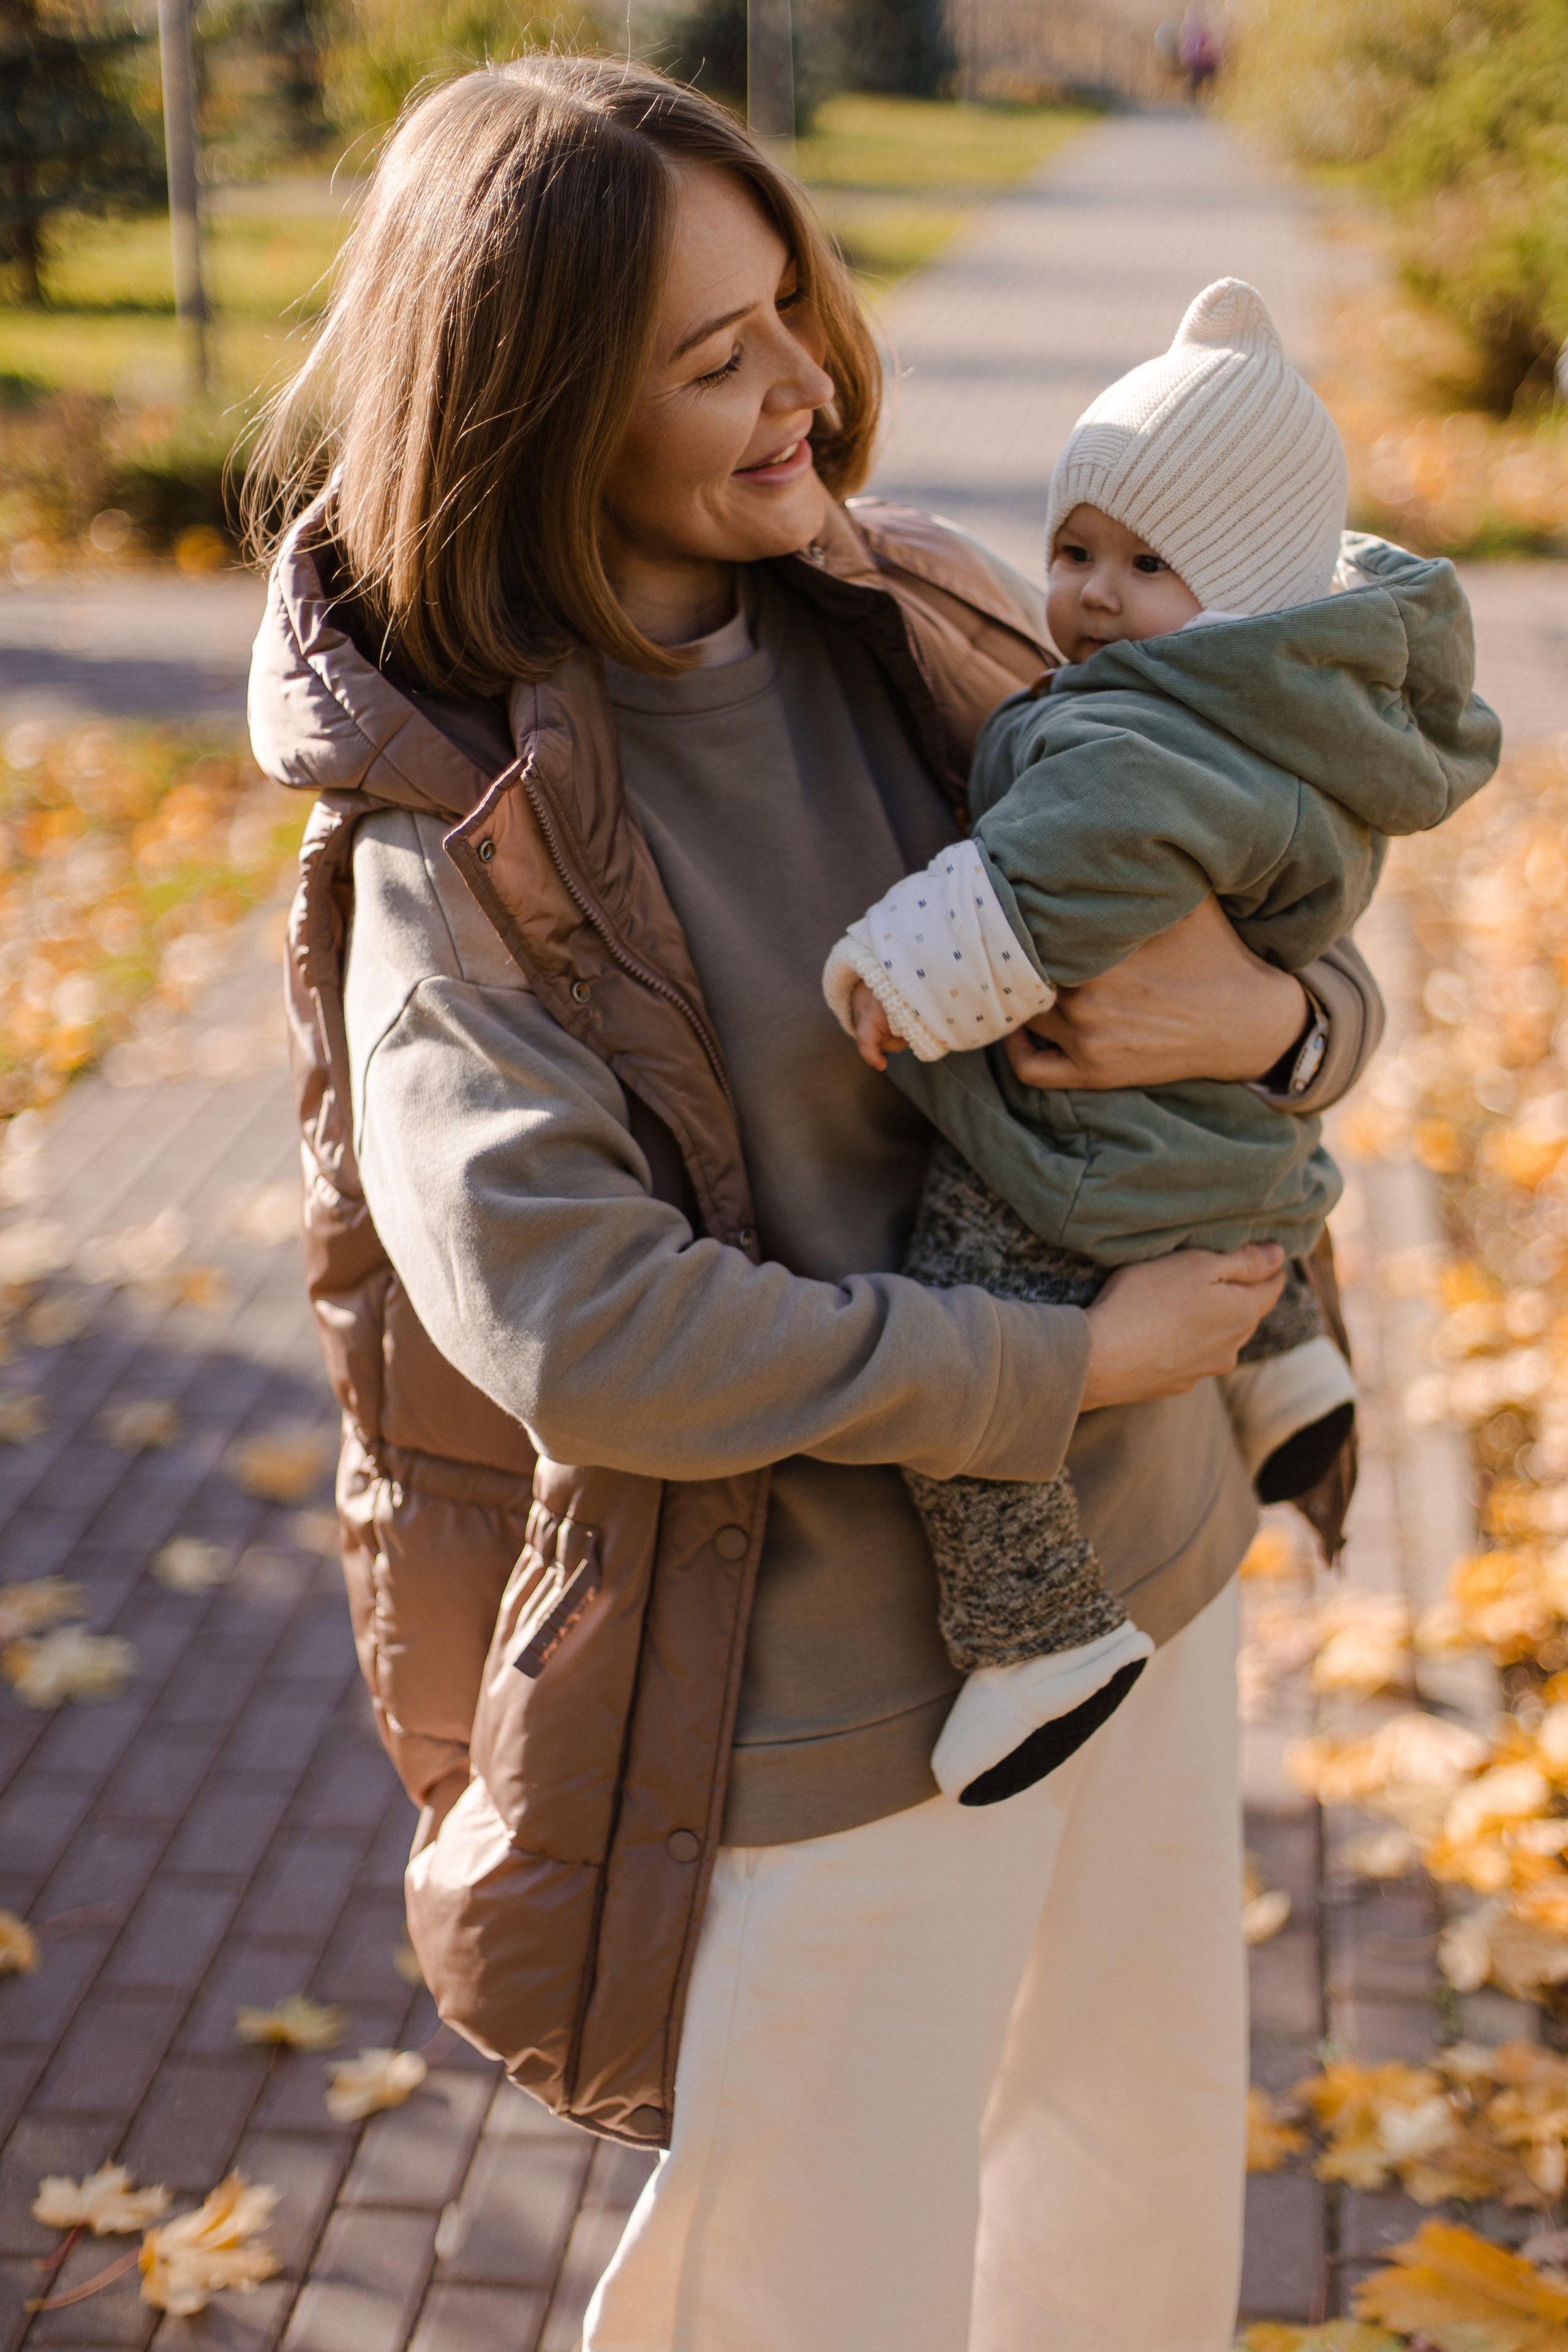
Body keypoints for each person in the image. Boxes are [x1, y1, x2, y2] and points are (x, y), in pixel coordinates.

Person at [244, 55, 1388, 2352]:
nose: (804, 387)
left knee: (1129, 2225)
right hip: (837, 1704)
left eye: (791, 307)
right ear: (546, 413)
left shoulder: (914, 612)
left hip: (1150, 1575)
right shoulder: (451, 856)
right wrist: (1064, 1363)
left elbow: (1294, 928)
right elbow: (593, 1328)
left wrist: (1266, 1037)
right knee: (809, 2289)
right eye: (710, 357)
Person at [826, 279, 1500, 1806]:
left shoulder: (1135, 738)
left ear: (1250, 588)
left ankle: (1036, 1632)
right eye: (1073, 551)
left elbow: (1055, 875)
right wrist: (1282, 1026)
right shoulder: (1287, 711)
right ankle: (1287, 1367)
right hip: (1240, 1141)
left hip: (1088, 1149)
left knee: (970, 1334)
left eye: (1149, 564)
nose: (1090, 597)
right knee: (1239, 1213)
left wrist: (902, 970)